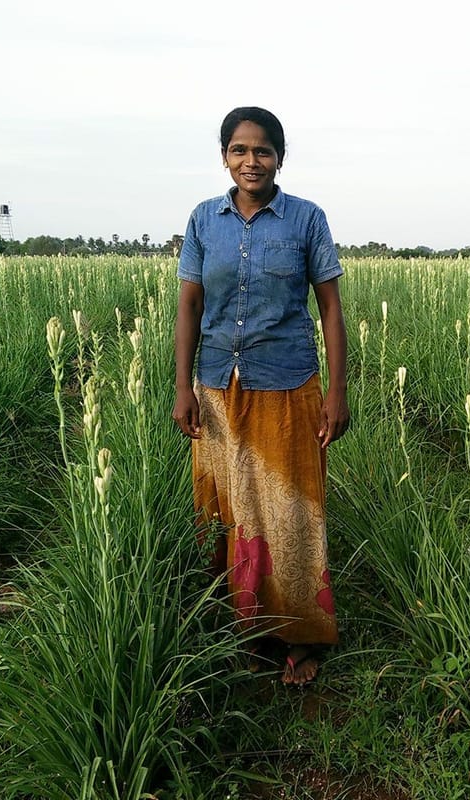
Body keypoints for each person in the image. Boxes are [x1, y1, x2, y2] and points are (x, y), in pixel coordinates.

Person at [172, 107, 349, 687]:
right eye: (240, 150)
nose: (252, 161)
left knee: (292, 511)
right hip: (219, 387)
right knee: (231, 510)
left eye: (264, 150)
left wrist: (336, 391)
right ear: (224, 155)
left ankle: (300, 635)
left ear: (280, 157)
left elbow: (329, 308)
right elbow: (191, 307)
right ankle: (246, 629)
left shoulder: (306, 219)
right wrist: (183, 387)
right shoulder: (204, 220)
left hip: (290, 383)